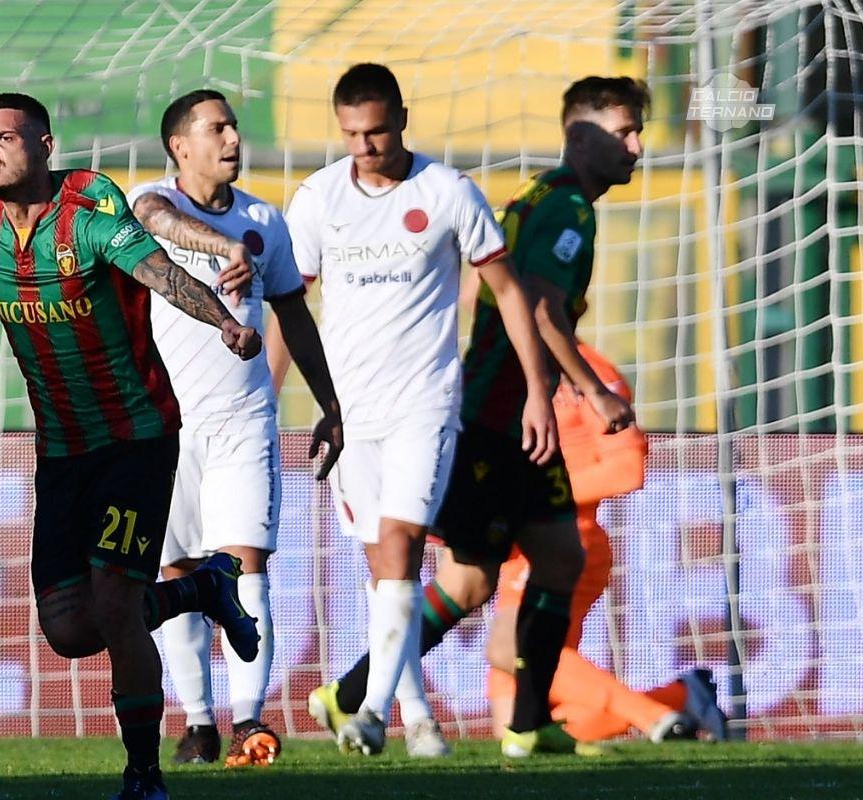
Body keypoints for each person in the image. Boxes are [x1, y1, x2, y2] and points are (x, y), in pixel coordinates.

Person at [0, 92, 264, 800]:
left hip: (135, 440)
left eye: (4, 138)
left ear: (43, 146)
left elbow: (160, 274)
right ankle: (202, 587)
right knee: (71, 630)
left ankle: (145, 776)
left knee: (112, 596)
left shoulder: (91, 215)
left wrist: (223, 320)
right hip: (62, 451)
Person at [304, 75, 651, 759]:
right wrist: (589, 392)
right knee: (471, 579)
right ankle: (348, 697)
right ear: (580, 135)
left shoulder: (546, 200)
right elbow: (544, 309)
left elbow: (490, 290)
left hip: (508, 411)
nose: (636, 146)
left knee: (557, 557)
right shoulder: (565, 210)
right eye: (623, 132)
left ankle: (525, 724)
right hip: (493, 418)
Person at [270, 63, 557, 758]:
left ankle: (368, 712)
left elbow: (509, 293)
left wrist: (540, 390)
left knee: (399, 546)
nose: (364, 147)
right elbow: (288, 306)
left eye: (375, 131)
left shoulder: (448, 191)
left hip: (425, 405)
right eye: (351, 135)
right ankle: (420, 718)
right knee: (384, 572)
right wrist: (266, 398)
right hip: (348, 412)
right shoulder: (317, 200)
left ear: (402, 116)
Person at [127, 89, 342, 768]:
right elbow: (156, 217)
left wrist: (331, 404)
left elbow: (293, 315)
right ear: (179, 146)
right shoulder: (150, 203)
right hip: (166, 427)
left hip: (245, 421)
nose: (231, 138)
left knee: (247, 566)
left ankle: (251, 719)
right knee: (177, 572)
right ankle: (197, 722)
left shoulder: (265, 221)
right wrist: (220, 246)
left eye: (233, 126)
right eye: (214, 128)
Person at [485, 341, 728, 743]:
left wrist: (532, 499)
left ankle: (654, 716)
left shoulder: (586, 372)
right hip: (517, 546)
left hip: (563, 537)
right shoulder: (503, 363)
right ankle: (679, 699)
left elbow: (627, 469)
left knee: (509, 647)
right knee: (514, 728)